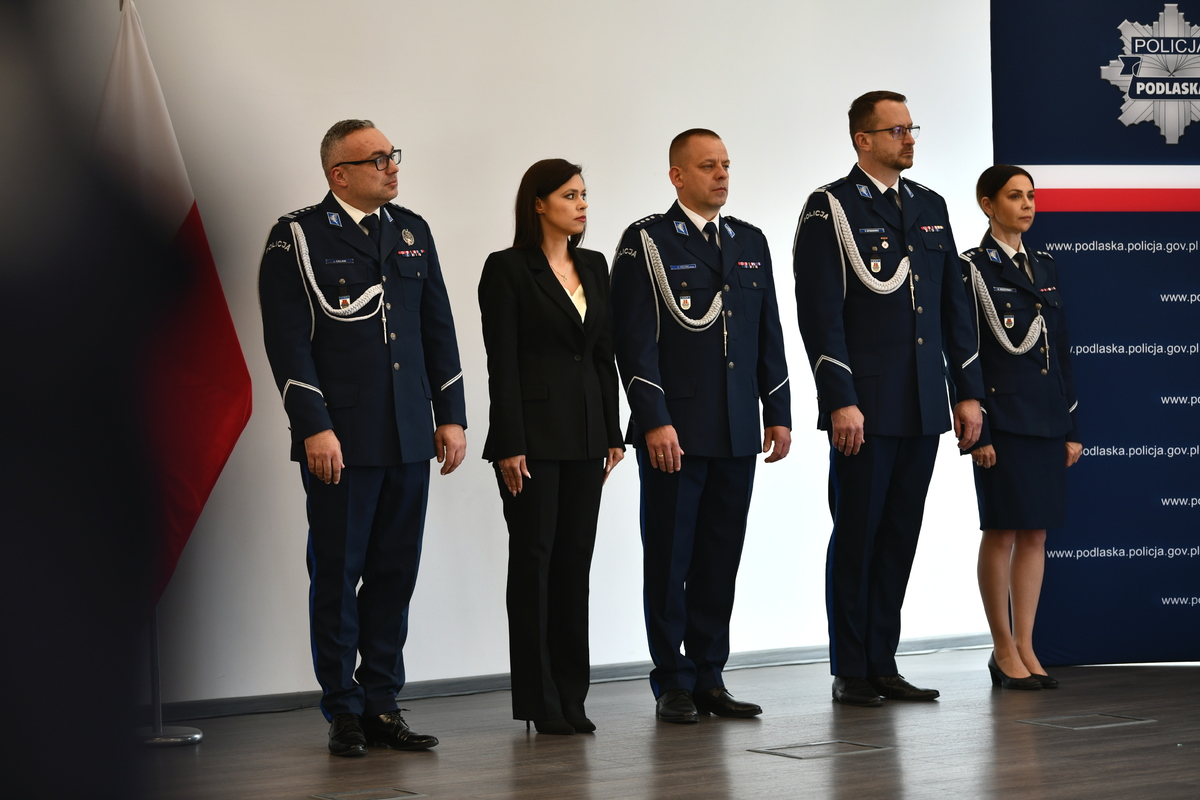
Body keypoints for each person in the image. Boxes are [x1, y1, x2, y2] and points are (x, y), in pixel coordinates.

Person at [259, 119, 467, 756]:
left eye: (392, 155)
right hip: (342, 439)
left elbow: (437, 326)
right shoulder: (297, 235)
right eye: (377, 159)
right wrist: (314, 426)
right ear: (339, 175)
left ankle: (381, 702)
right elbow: (287, 341)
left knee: (394, 574)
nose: (391, 166)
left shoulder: (411, 231)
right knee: (338, 572)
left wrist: (451, 414)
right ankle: (343, 709)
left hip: (408, 433)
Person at [792, 92, 984, 707]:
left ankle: (883, 661)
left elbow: (954, 308)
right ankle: (851, 667)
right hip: (865, 406)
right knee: (858, 535)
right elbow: (820, 313)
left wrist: (967, 393)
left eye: (911, 128)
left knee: (900, 535)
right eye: (896, 130)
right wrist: (839, 399)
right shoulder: (830, 207)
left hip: (923, 400)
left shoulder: (929, 205)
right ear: (863, 139)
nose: (909, 138)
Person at [611, 129, 792, 723]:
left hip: (737, 427)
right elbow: (634, 342)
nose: (721, 175)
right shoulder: (647, 241)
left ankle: (710, 675)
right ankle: (673, 680)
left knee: (720, 557)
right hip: (676, 431)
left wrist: (778, 412)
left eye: (726, 165)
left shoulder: (749, 240)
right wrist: (653, 420)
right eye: (708, 166)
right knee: (670, 558)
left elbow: (768, 333)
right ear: (677, 176)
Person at [478, 159, 625, 735]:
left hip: (588, 436)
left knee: (574, 564)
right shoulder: (508, 268)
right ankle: (541, 702)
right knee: (534, 564)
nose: (582, 204)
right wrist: (509, 441)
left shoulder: (595, 265)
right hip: (532, 440)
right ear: (538, 203)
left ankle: (571, 695)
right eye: (569, 195)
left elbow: (603, 356)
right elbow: (502, 362)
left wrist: (613, 432)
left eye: (584, 194)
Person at [962, 165, 1081, 690]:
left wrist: (1072, 425)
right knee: (1002, 529)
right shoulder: (970, 268)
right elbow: (964, 352)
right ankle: (1002, 646)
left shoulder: (1045, 265)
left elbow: (1062, 352)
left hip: (1048, 417)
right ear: (988, 205)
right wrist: (980, 431)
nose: (1027, 204)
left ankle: (1027, 643)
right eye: (1015, 196)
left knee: (1036, 532)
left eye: (1031, 196)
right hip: (1003, 419)